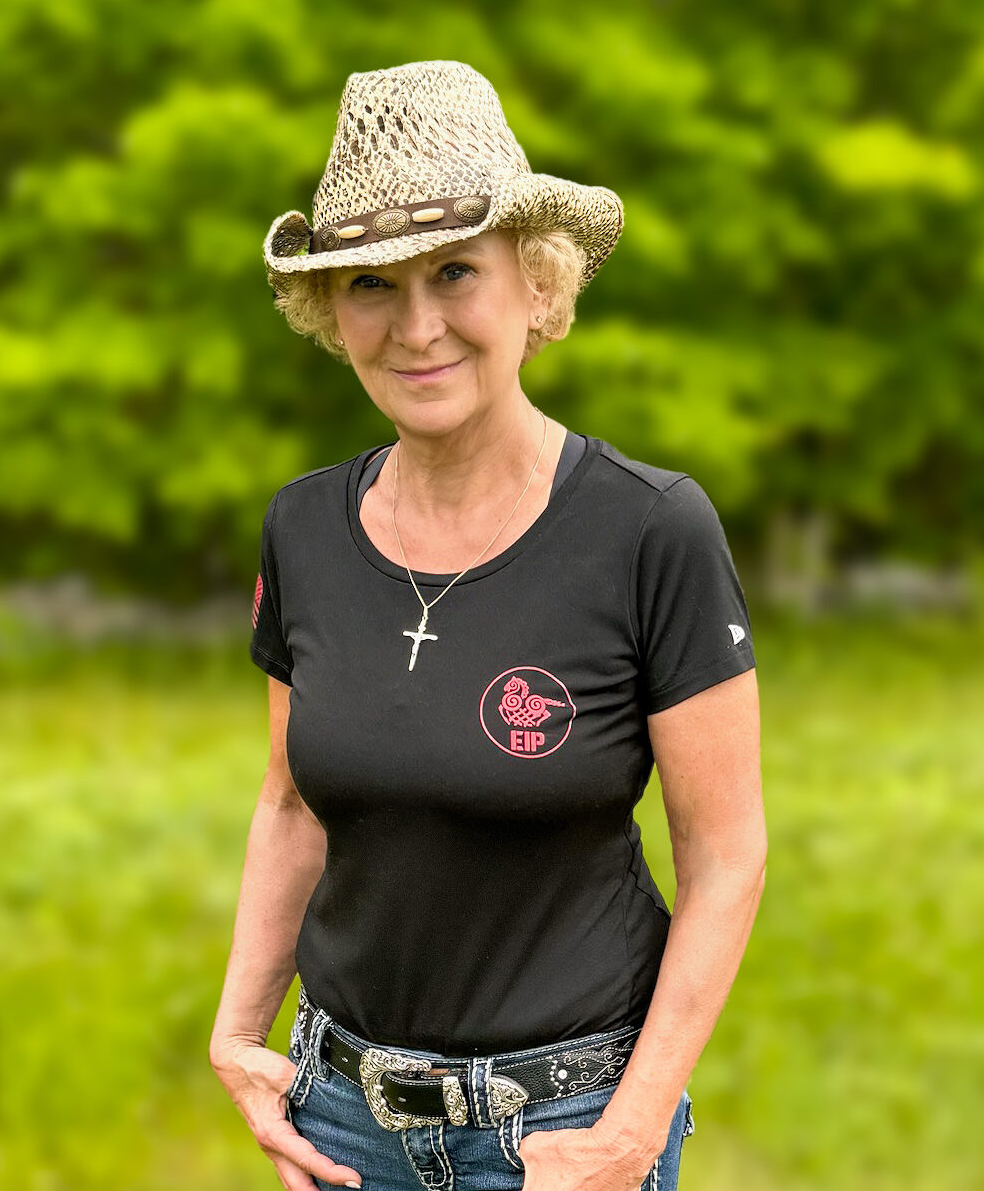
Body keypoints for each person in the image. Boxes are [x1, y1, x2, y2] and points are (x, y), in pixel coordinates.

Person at [209, 60, 765, 1191]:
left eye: (454, 273)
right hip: (343, 1124)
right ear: (331, 310)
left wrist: (630, 1129)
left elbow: (723, 857)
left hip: (565, 1127)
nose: (416, 327)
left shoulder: (649, 530)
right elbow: (288, 802)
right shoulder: (303, 527)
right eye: (371, 284)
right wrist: (237, 1033)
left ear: (536, 284)